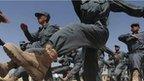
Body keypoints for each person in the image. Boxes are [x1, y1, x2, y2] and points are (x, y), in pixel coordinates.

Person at [2, 0, 144, 81]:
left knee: (75, 28)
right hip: (86, 39)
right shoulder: (81, 2)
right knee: (90, 72)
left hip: (99, 32)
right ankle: (9, 66)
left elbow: (133, 9)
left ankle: (44, 60)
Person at [0, 11, 59, 81]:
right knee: (46, 74)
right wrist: (25, 31)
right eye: (37, 17)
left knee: (26, 58)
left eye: (40, 16)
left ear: (45, 18)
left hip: (47, 52)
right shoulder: (40, 30)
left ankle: (9, 70)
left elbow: (44, 42)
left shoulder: (51, 27)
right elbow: (32, 38)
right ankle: (9, 71)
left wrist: (30, 45)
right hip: (42, 54)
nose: (38, 18)